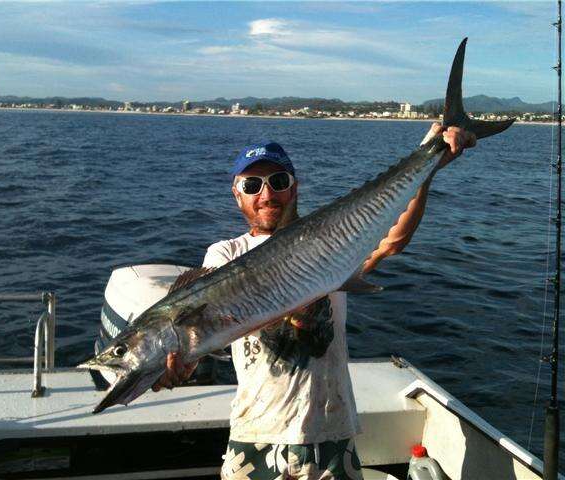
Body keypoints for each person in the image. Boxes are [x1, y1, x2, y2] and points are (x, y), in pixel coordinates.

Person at [153, 124, 476, 479]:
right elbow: (206, 322)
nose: (265, 194)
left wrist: (430, 157)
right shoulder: (226, 253)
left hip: (331, 432)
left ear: (293, 188)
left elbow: (392, 240)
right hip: (256, 434)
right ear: (236, 195)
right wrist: (182, 360)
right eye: (251, 185)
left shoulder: (333, 240)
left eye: (277, 181)